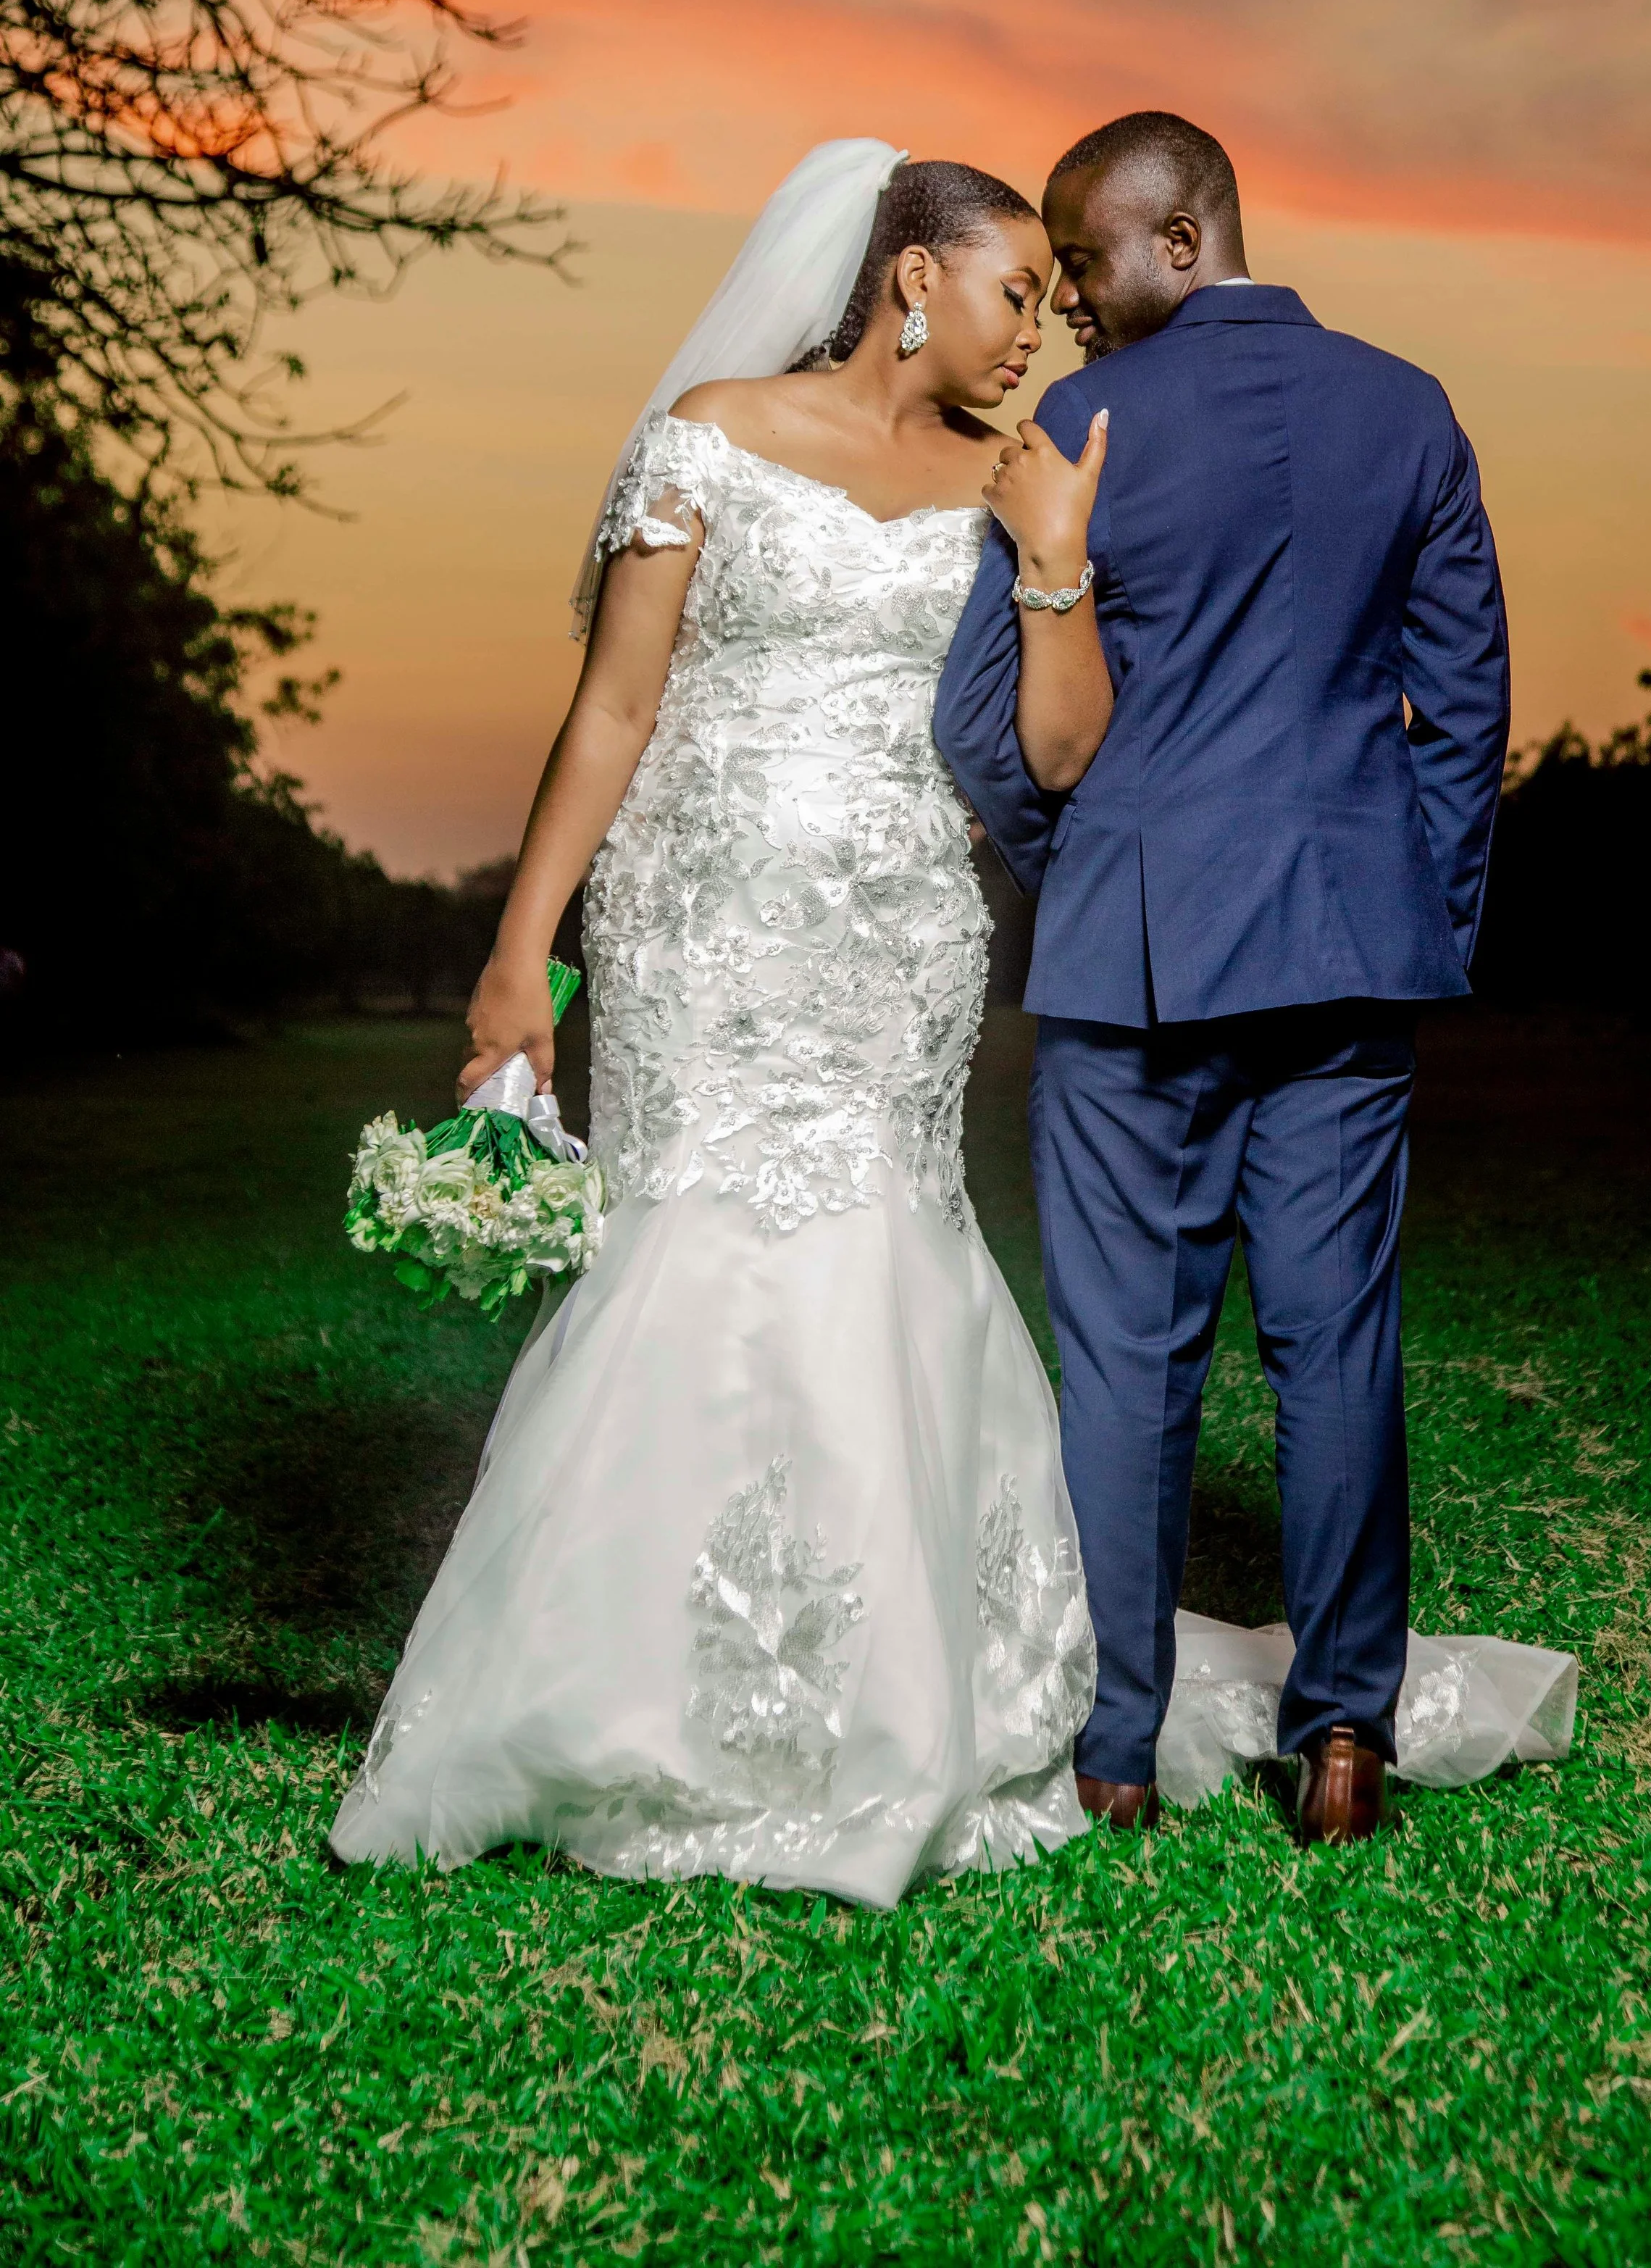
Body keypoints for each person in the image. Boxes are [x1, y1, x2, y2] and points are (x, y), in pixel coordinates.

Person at [330, 143, 1106, 1905]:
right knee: (684, 1249)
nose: (1033, 341)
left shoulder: (1019, 484)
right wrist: (520, 953)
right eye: (1014, 299)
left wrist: (1054, 564)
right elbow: (611, 708)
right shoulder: (709, 433)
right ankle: (620, 1696)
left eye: (1052, 315)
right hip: (697, 929)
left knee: (882, 1241)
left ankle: (892, 1702)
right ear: (913, 277)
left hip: (900, 936)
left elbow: (1061, 751)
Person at [936, 111, 1537, 1845]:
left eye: (1088, 265)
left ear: (1179, 240)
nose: (1072, 308)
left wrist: (1097, 873)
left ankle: (1116, 1750)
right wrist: (1403, 908)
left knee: (1127, 1357)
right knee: (1334, 1342)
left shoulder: (1077, 427)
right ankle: (1341, 1746)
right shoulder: (1406, 407)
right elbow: (1465, 710)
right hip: (1345, 947)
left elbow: (983, 731)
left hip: (1132, 959)